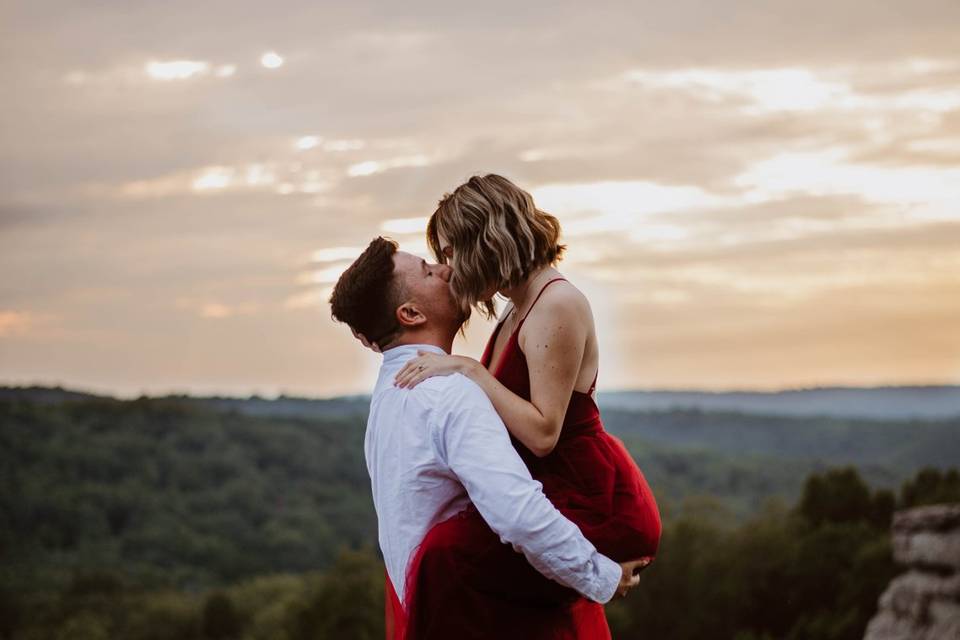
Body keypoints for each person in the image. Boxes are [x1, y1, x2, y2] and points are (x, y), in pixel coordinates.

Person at [329, 237, 652, 640]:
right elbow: (516, 511)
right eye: (429, 271)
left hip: (433, 609)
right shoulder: (448, 392)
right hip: (484, 617)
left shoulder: (389, 395)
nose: (446, 270)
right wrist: (602, 575)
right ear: (410, 313)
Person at [386, 174, 663, 633]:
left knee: (443, 559)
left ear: (486, 239)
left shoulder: (558, 303)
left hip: (586, 495)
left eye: (452, 251)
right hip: (554, 487)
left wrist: (469, 370)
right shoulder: (518, 307)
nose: (450, 269)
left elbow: (542, 434)